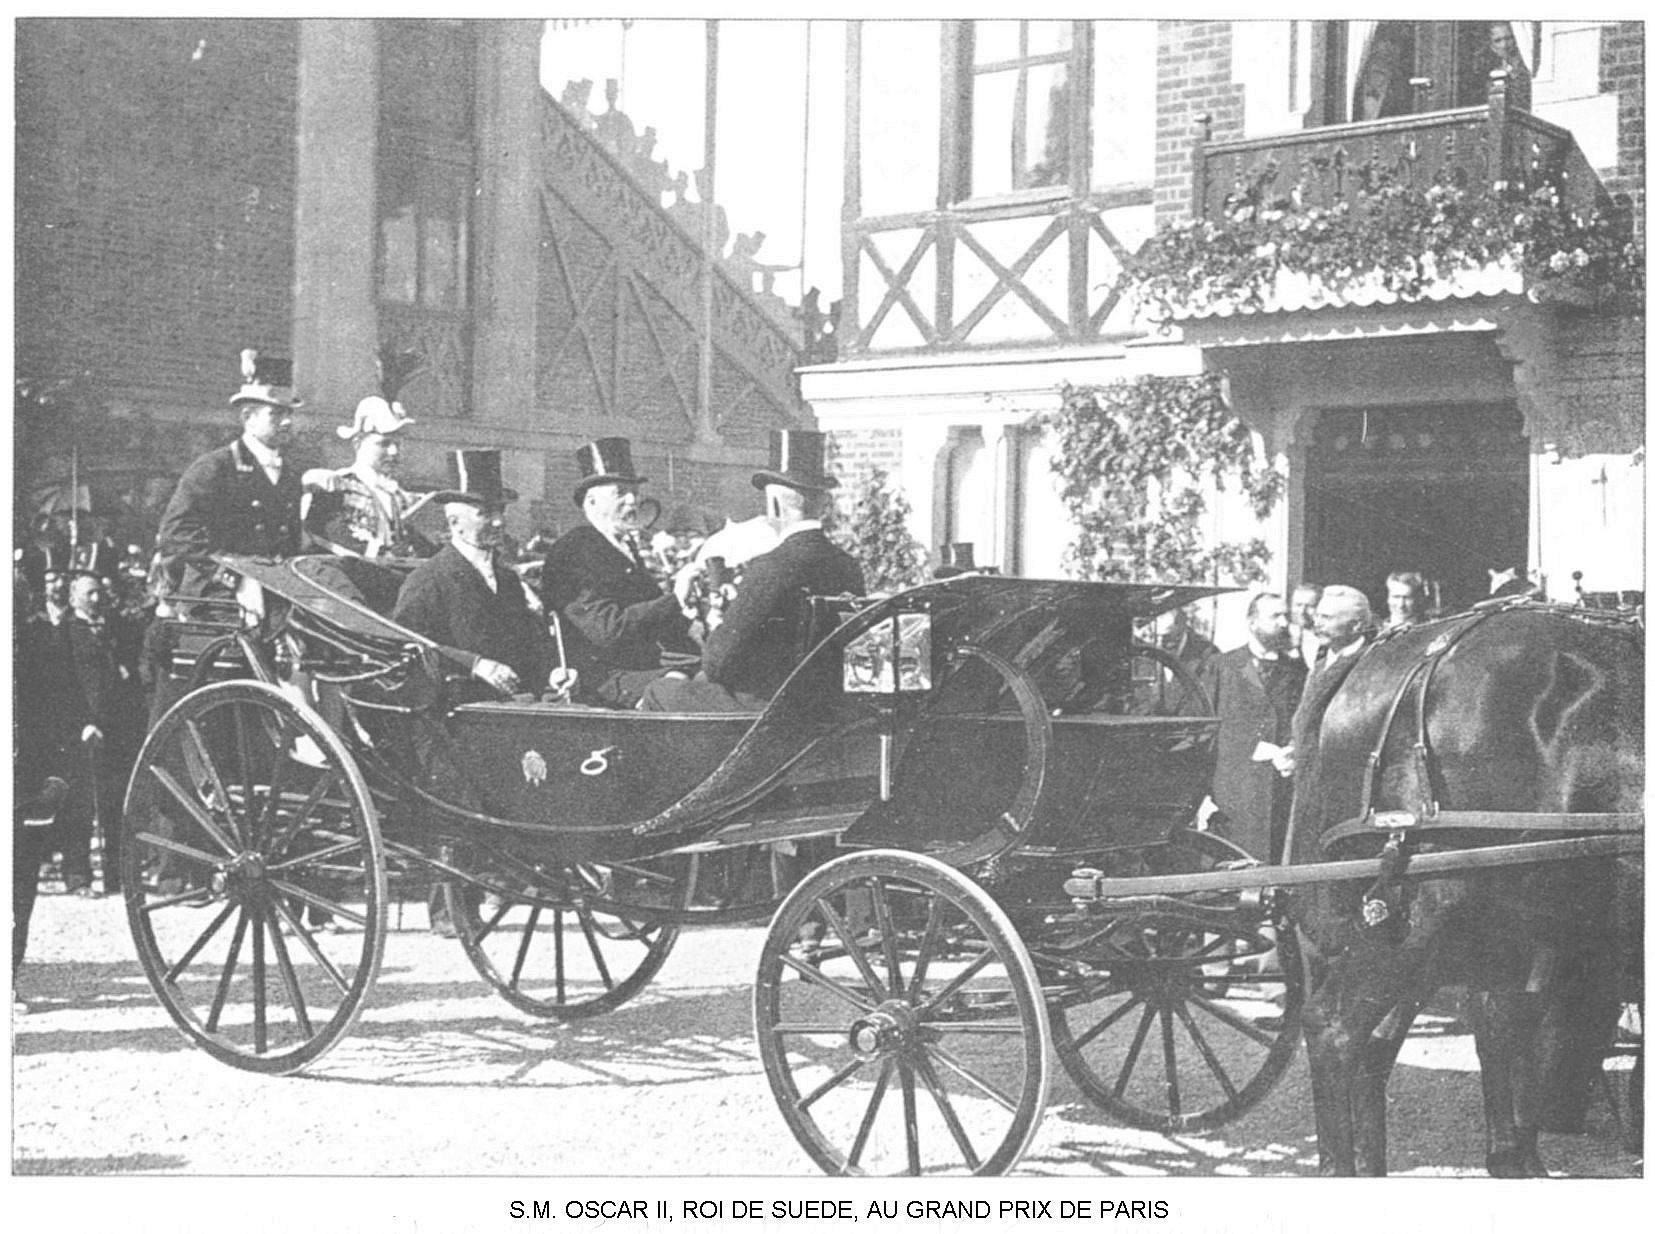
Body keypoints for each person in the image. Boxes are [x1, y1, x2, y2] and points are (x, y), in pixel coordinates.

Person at [642, 430, 865, 712]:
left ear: (773, 504)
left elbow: (717, 663)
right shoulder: (847, 566)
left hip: (762, 710)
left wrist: (717, 623)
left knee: (660, 689)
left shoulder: (771, 567)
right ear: (822, 504)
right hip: (824, 706)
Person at [541, 437, 701, 708]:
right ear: (591, 502)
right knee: (684, 692)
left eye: (635, 493)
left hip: (641, 667)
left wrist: (698, 628)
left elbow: (650, 615)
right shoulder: (575, 550)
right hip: (599, 679)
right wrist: (675, 599)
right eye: (620, 493)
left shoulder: (622, 546)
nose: (633, 501)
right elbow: (608, 630)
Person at [154, 349, 307, 599]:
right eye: (276, 413)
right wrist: (228, 572)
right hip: (218, 595)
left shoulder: (289, 475)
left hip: (274, 592)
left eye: (290, 413)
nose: (287, 421)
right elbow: (176, 534)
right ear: (248, 417)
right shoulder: (216, 467)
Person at [54, 569, 144, 897]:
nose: (97, 599)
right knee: (79, 805)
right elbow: (62, 684)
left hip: (116, 727)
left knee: (114, 802)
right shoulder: (63, 632)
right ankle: (78, 875)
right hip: (83, 729)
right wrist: (83, 723)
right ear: (73, 596)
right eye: (89, 593)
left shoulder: (113, 628)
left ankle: (115, 876)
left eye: (99, 593)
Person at [1199, 592, 1307, 863]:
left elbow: (1305, 720)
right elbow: (1205, 727)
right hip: (1235, 793)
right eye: (1275, 616)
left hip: (1280, 792)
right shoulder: (1222, 667)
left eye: (1286, 616)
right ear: (1252, 622)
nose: (1283, 623)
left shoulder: (1297, 671)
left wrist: (1294, 749)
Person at [303, 347, 436, 560]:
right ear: (358, 443)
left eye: (397, 444)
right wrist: (382, 553)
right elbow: (328, 532)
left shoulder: (401, 496)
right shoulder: (335, 486)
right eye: (383, 444)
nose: (393, 452)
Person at [13, 568, 74, 1008]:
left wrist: (58, 773)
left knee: (19, 886)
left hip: (25, 783)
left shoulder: (41, 646)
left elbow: (63, 709)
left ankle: (7, 975)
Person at [1278, 584, 1376, 784]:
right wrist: (1293, 750)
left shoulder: (1371, 664)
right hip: (1307, 782)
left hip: (1345, 785)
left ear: (1356, 626)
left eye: (1327, 618)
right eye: (1318, 616)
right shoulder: (1320, 665)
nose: (1317, 623)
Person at [1289, 582, 1322, 665]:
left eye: (1310, 606)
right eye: (1298, 605)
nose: (1302, 611)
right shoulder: (1285, 636)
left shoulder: (1326, 640)